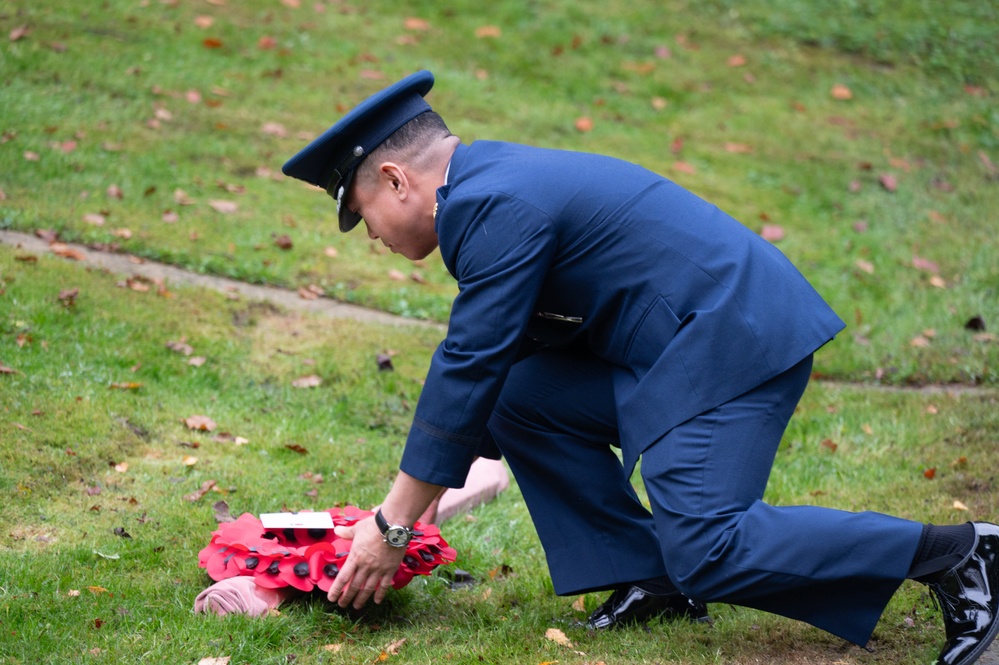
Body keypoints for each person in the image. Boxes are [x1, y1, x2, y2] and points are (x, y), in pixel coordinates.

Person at [280, 70, 999, 665]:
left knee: (709, 545)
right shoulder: (489, 184)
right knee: (517, 398)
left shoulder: (488, 203)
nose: (371, 235)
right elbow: (499, 359)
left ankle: (958, 554)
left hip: (731, 341)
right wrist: (426, 492)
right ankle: (648, 577)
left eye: (362, 213)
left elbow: (466, 358)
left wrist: (393, 522)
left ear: (395, 177)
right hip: (676, 344)